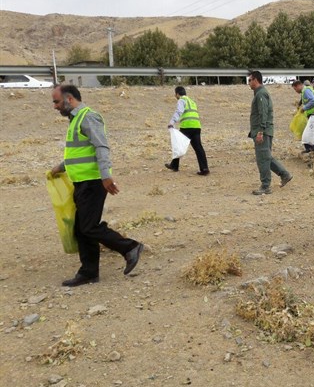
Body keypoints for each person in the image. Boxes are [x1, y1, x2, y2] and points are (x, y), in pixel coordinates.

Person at [50, 85, 143, 287]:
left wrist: (106, 176)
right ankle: (89, 272)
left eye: (56, 101)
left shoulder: (88, 117)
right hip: (82, 182)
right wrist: (60, 167)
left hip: (93, 182)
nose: (55, 106)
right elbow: (80, 153)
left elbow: (101, 147)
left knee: (89, 227)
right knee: (82, 229)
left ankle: (130, 248)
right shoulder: (76, 120)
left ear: (70, 99)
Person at [248, 71, 293, 195]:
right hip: (263, 131)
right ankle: (285, 174)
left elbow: (263, 113)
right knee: (266, 157)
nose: (249, 83)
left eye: (250, 80)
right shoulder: (259, 93)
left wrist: (260, 131)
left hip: (262, 131)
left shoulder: (261, 94)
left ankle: (265, 185)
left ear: (256, 80)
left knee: (262, 158)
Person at [165, 86, 210, 175]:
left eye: (175, 94)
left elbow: (179, 111)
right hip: (196, 126)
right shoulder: (192, 101)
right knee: (199, 148)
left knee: (178, 144)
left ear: (177, 94)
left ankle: (174, 165)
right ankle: (204, 169)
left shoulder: (181, 100)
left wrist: (171, 122)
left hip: (186, 127)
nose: (175, 96)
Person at [292, 80, 314, 153]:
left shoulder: (305, 91)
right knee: (312, 132)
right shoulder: (305, 90)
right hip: (313, 114)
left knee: (308, 133)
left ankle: (312, 149)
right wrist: (299, 104)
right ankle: (312, 149)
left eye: (295, 89)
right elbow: (304, 100)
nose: (295, 91)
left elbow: (312, 100)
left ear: (298, 86)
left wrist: (304, 108)